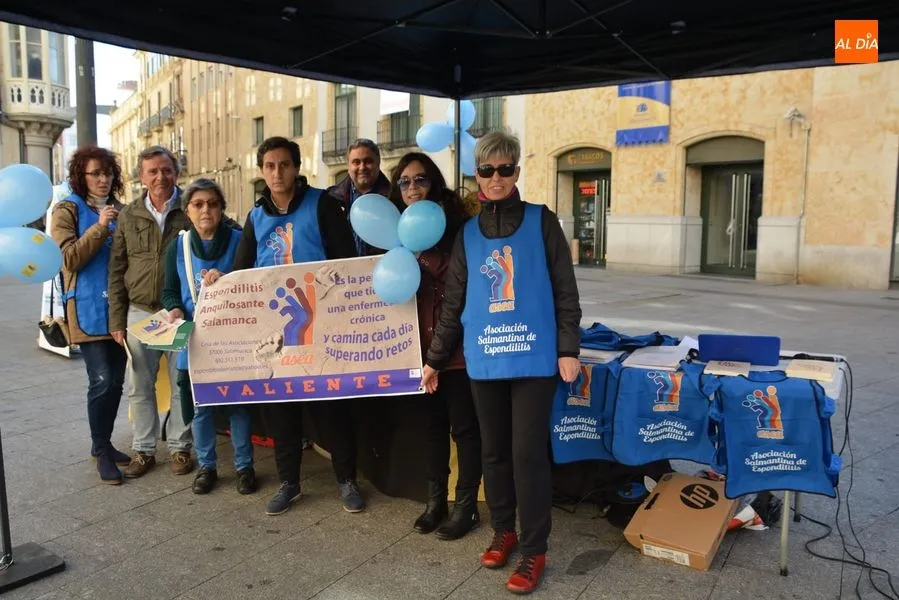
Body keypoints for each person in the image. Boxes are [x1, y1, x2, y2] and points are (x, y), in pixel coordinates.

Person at [421, 132, 582, 595]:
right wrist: (435, 360)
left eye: (505, 169)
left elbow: (564, 290)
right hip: (485, 359)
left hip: (534, 359)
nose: (496, 177)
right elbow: (453, 303)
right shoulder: (467, 235)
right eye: (487, 170)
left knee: (527, 453)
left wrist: (568, 348)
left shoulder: (542, 221)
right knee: (493, 451)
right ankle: (504, 529)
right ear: (477, 175)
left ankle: (534, 550)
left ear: (516, 172)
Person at [230, 136, 358, 516]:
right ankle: (289, 482)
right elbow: (242, 270)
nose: (277, 172)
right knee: (282, 410)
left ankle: (347, 479)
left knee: (329, 408)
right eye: (269, 166)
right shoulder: (256, 217)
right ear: (262, 171)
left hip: (322, 325)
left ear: (297, 167)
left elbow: (346, 262)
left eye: (284, 164)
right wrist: (219, 280)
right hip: (277, 331)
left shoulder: (323, 205)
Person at [388, 152, 482, 540]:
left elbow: (459, 288)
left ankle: (465, 508)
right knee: (430, 428)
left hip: (456, 353)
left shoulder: (456, 228)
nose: (413, 188)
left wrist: (423, 254)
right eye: (405, 182)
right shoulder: (393, 235)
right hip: (417, 352)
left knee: (464, 429)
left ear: (434, 183)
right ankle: (435, 502)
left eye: (420, 179)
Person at [160, 179, 253, 495]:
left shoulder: (240, 240)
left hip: (234, 339)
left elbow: (255, 280)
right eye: (198, 204)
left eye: (212, 203)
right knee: (201, 407)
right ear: (187, 210)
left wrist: (228, 280)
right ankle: (208, 467)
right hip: (197, 341)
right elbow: (170, 291)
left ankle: (244, 466)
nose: (206, 210)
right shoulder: (178, 246)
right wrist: (174, 310)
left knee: (239, 403)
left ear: (221, 208)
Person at [108, 145, 194, 478]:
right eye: (152, 171)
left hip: (178, 312)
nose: (160, 177)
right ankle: (143, 451)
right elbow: (117, 270)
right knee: (139, 384)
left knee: (180, 382)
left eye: (166, 169)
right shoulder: (129, 215)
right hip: (139, 311)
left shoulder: (191, 206)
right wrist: (116, 320)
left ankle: (180, 448)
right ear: (142, 176)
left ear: (176, 171)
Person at [51, 146, 129, 484]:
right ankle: (100, 449)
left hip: (119, 309)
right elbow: (67, 259)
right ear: (81, 177)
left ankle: (105, 443)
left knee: (116, 382)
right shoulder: (67, 210)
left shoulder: (123, 211)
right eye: (95, 173)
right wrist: (99, 227)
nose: (103, 179)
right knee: (101, 380)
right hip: (86, 307)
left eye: (107, 172)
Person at [327, 138, 391, 256]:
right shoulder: (331, 198)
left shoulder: (393, 197)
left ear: (378, 162)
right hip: (343, 270)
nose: (362, 167)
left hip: (382, 270)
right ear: (348, 166)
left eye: (368, 161)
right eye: (356, 162)